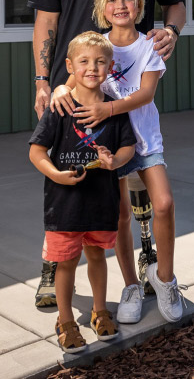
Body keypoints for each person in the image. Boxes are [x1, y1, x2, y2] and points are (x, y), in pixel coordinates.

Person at [29, 0, 187, 308]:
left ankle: (147, 264)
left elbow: (175, 5)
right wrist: (44, 79)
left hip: (126, 88)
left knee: (126, 177)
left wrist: (171, 31)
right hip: (70, 91)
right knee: (66, 177)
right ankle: (52, 267)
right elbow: (46, 21)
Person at [53, 0, 184, 323]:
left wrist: (106, 107)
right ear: (102, 7)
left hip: (145, 140)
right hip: (109, 144)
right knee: (121, 215)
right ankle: (131, 286)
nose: (120, 5)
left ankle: (166, 280)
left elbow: (145, 94)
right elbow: (72, 80)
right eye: (112, 0)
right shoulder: (98, 45)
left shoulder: (149, 46)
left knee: (164, 204)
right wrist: (60, 89)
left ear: (139, 4)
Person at [28, 32, 137, 353]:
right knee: (66, 263)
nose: (93, 68)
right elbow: (36, 151)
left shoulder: (114, 111)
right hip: (65, 206)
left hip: (101, 203)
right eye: (85, 61)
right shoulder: (60, 108)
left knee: (96, 258)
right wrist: (56, 175)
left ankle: (100, 311)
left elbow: (128, 148)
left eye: (100, 61)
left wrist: (113, 160)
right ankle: (65, 321)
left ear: (110, 66)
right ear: (70, 65)